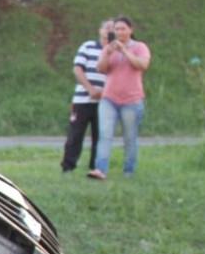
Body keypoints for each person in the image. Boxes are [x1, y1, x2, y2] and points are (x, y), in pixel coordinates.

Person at [89, 16, 151, 180]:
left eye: (123, 28)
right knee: (105, 134)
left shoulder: (139, 47)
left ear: (131, 30)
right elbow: (101, 69)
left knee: (129, 137)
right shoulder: (109, 47)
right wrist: (108, 53)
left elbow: (142, 65)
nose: (120, 32)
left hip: (131, 100)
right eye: (117, 29)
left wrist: (124, 51)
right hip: (109, 98)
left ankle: (128, 171)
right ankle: (100, 170)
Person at [60, 19, 113, 173]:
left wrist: (104, 92)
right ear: (100, 30)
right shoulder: (88, 46)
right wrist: (90, 89)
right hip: (83, 99)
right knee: (75, 135)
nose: (108, 31)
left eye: (112, 28)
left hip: (105, 101)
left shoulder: (116, 52)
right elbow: (77, 69)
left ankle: (95, 167)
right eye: (106, 27)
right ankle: (68, 166)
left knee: (100, 137)